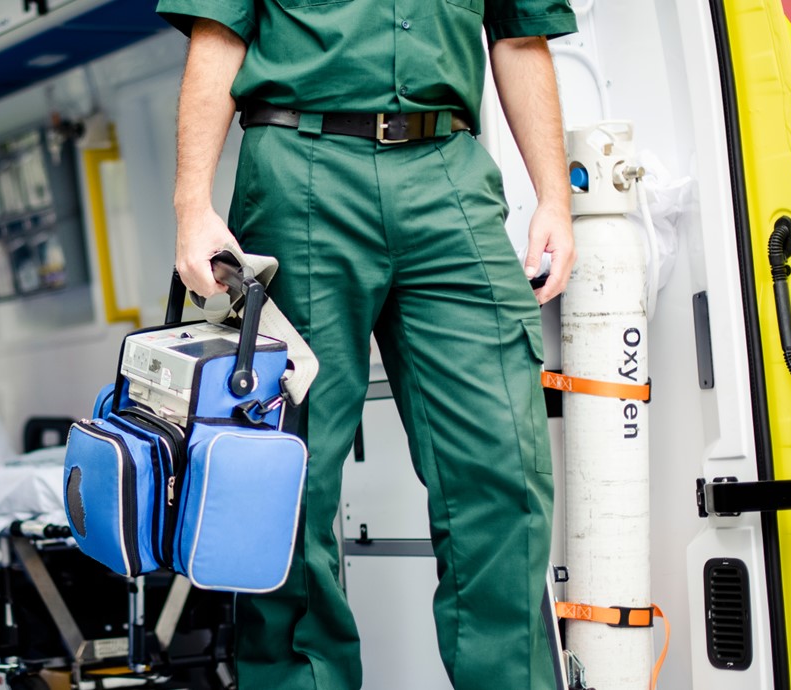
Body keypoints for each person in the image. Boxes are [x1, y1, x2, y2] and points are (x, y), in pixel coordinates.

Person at [155, 2, 577, 688]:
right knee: (287, 479)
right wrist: (191, 204)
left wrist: (554, 198)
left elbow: (520, 35)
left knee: (504, 468)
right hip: (302, 167)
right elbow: (218, 31)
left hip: (449, 175)